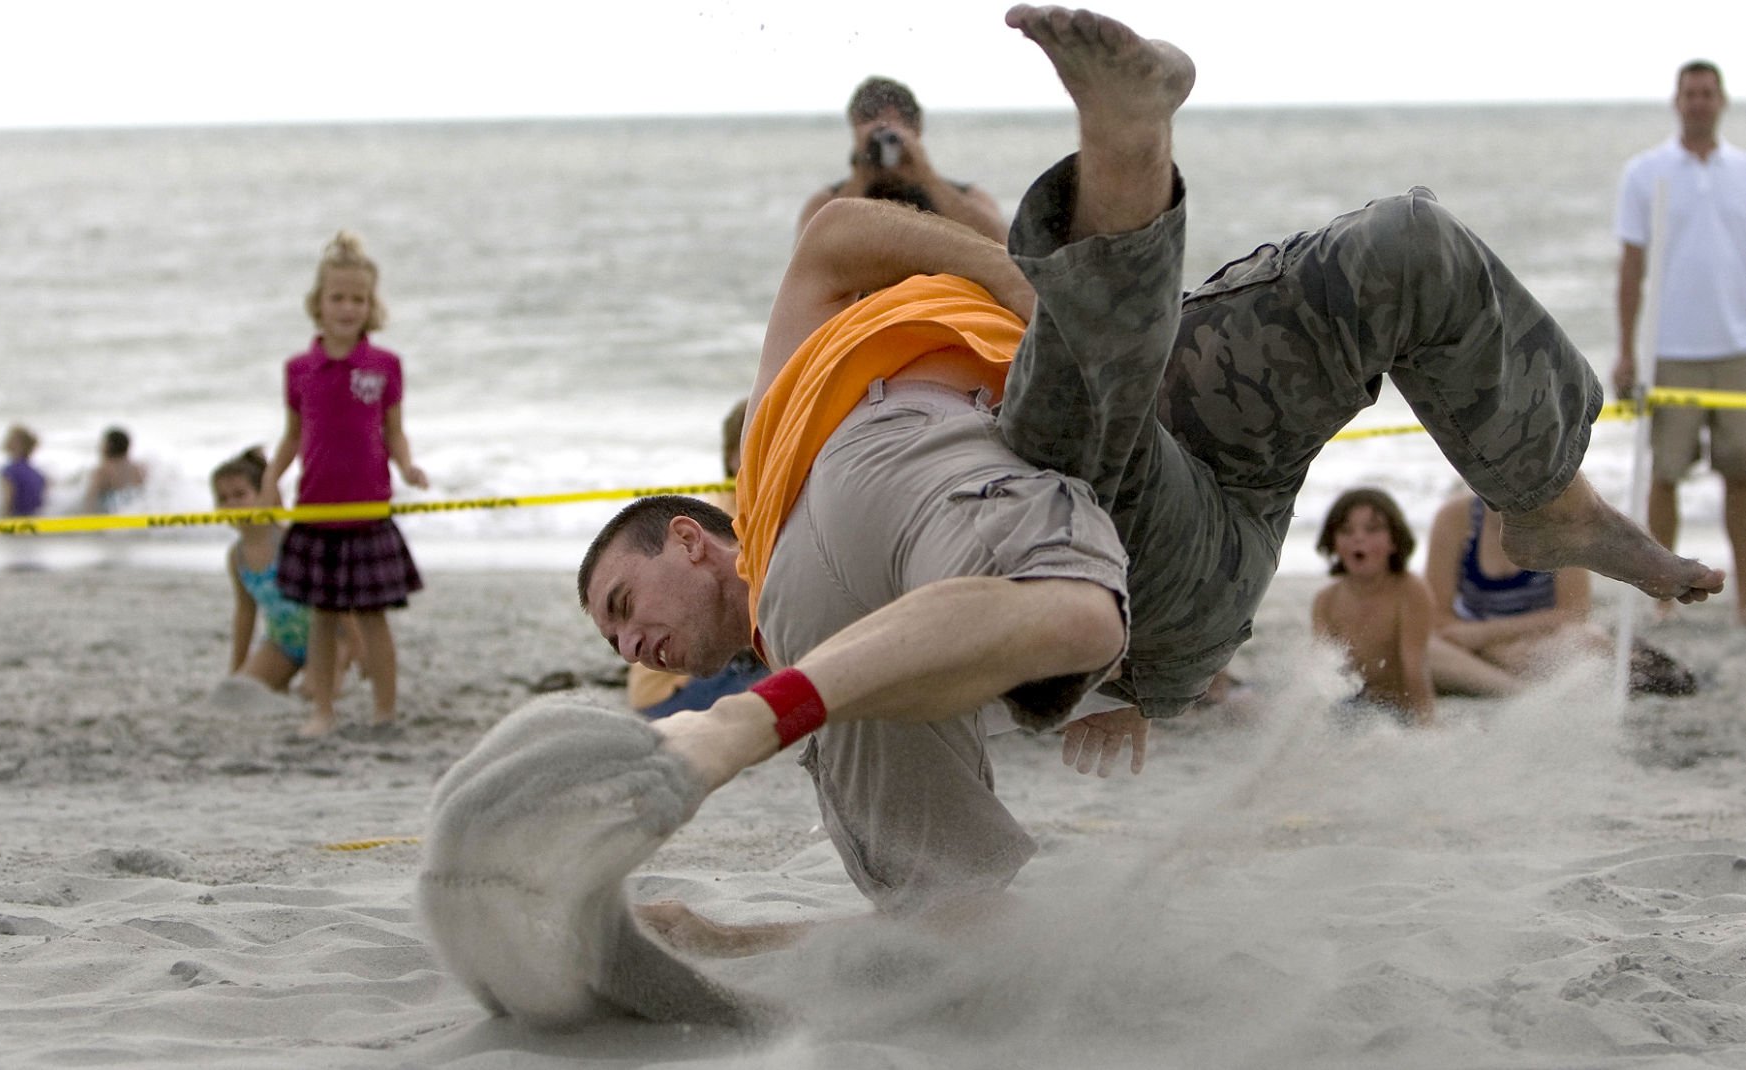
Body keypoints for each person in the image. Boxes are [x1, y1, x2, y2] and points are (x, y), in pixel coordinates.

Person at [578, 7, 1722, 942]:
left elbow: (835, 233)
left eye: (623, 606)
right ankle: (1125, 146)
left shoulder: (784, 429)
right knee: (1070, 405)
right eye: (616, 643)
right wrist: (732, 937)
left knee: (1399, 250)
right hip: (1135, 566)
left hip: (1171, 445)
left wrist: (1028, 294)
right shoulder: (816, 600)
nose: (632, 646)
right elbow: (947, 928)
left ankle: (1543, 501)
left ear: (693, 536)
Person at [261, 231, 428, 738]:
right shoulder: (299, 369)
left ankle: (384, 712)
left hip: (369, 512)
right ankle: (324, 711)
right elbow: (293, 435)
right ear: (319, 302)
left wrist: (407, 466)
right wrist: (271, 479)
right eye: (338, 297)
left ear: (370, 305)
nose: (347, 307)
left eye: (358, 298)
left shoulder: (385, 366)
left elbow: (394, 430)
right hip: (315, 511)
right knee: (322, 619)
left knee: (373, 618)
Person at [1611, 60, 1746, 623]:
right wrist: (1625, 351)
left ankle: (1743, 603)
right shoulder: (1645, 173)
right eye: (1690, 93)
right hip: (1669, 352)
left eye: (1707, 93)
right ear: (1677, 101)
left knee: (1741, 476)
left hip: (1737, 352)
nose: (1698, 102)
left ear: (1722, 101)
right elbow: (1631, 267)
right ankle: (1662, 601)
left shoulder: (1742, 169)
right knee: (1664, 476)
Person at [1423, 490, 1697, 697]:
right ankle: (1518, 692)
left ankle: (1501, 683)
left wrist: (1487, 637)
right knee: (1425, 648)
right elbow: (1438, 619)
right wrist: (1489, 645)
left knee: (1588, 640)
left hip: (1537, 638)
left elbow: (1574, 612)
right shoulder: (1454, 519)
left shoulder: (1560, 518)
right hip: (1469, 641)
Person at [625, 398, 769, 719]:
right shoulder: (722, 519)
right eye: (762, 442)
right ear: (733, 457)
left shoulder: (743, 504)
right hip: (673, 691)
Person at [211, 446, 363, 701]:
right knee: (241, 693)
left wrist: (356, 643)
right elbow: (245, 612)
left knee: (313, 695)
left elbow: (332, 593)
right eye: (223, 498)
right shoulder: (236, 556)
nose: (231, 504)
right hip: (282, 643)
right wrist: (236, 669)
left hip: (329, 636)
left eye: (240, 494)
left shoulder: (291, 542)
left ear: (266, 495)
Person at [797, 75, 1007, 243]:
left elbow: (1002, 248)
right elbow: (808, 259)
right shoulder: (827, 202)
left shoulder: (968, 196)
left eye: (895, 123)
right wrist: (862, 176)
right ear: (854, 129)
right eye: (870, 121)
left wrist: (926, 177)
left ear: (917, 129)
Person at [1310, 488, 1435, 725]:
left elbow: (1415, 668)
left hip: (1394, 710)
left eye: (1372, 529)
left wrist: (1426, 725)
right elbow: (1322, 672)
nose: (1358, 538)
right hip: (1345, 705)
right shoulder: (1325, 600)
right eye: (1346, 530)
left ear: (1394, 542)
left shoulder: (1410, 590)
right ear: (1333, 542)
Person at [79, 425, 146, 513]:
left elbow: (89, 500)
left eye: (103, 443)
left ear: (109, 446)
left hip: (109, 516)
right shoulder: (138, 469)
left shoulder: (102, 471)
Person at [0, 423, 46, 518]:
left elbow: (9, 500)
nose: (6, 440)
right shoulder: (39, 474)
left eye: (9, 438)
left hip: (16, 521)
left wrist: (2, 520)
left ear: (18, 444)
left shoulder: (10, 471)